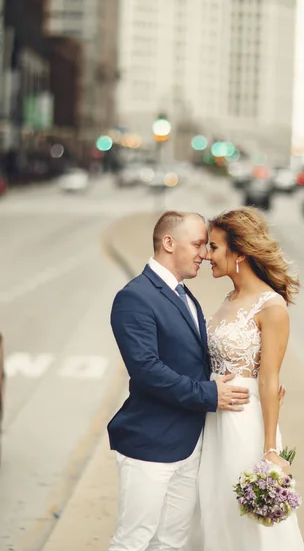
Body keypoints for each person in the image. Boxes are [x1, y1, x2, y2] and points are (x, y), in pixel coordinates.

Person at [107, 210, 251, 551]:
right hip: (150, 442)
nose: (203, 253)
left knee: (171, 542)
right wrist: (209, 394)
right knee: (134, 540)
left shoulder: (185, 295)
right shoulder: (135, 297)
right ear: (169, 243)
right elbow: (146, 369)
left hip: (189, 443)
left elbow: (191, 361)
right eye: (198, 244)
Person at [189, 207, 304, 550]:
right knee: (213, 509)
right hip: (213, 421)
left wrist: (270, 449)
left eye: (214, 247)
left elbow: (270, 380)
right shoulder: (228, 299)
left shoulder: (271, 307)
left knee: (247, 521)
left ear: (239, 252)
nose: (206, 255)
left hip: (244, 425)